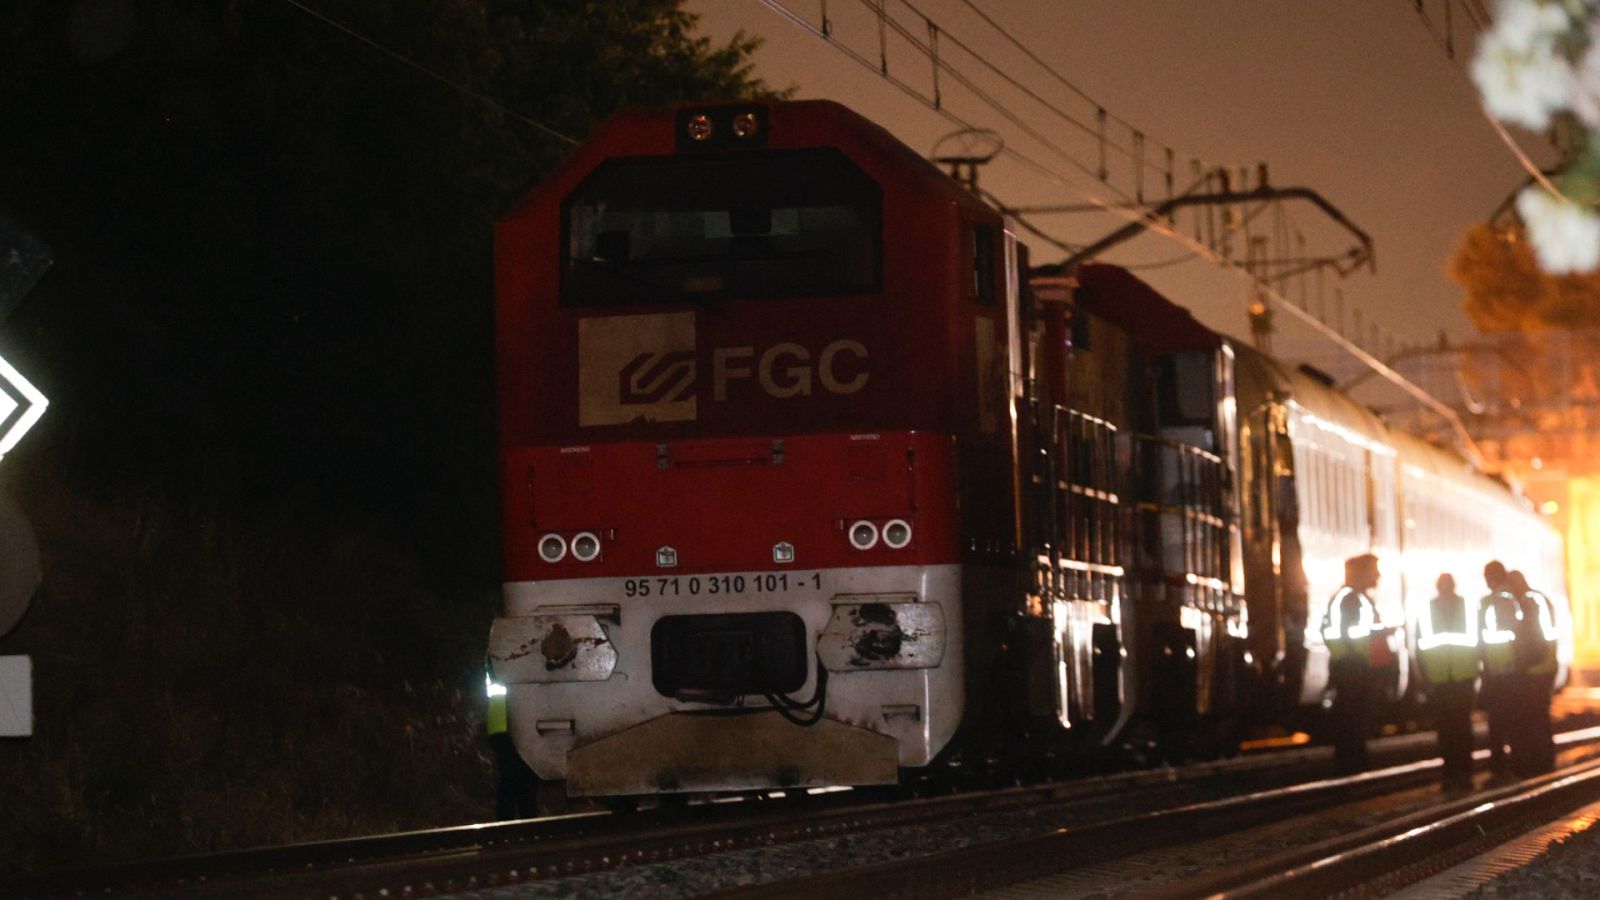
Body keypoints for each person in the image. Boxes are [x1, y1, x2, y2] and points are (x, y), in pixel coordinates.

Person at [1321, 554, 1392, 774]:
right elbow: (1351, 633)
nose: (1378, 576)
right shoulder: (1351, 599)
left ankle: (1354, 765)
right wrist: (1382, 631)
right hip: (1353, 668)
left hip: (1353, 666)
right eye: (1374, 570)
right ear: (1362, 572)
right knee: (1353, 720)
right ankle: (1352, 766)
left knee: (1355, 720)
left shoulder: (1354, 598)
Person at [1417, 573, 1478, 792]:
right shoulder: (1464, 608)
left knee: (1455, 728)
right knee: (1453, 729)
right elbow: (1421, 647)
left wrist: (1424, 678)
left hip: (1456, 679)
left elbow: (1419, 648)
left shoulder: (1465, 608)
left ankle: (1458, 774)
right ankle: (1456, 774)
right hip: (1448, 679)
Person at [1507, 570, 1557, 776]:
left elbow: (1535, 639)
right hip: (1541, 669)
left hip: (1536, 670)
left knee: (1535, 718)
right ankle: (1541, 761)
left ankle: (1540, 762)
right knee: (1538, 718)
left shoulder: (1531, 601)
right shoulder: (1536, 599)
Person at [1478, 560, 1522, 782]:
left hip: (1499, 673)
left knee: (1497, 722)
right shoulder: (1513, 601)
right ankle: (1511, 766)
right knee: (1510, 721)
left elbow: (1482, 640)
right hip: (1508, 672)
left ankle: (1501, 767)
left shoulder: (1492, 602)